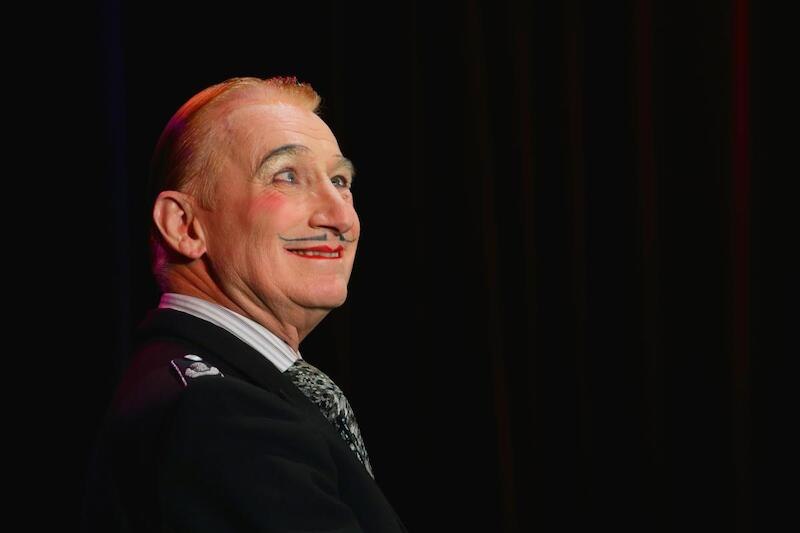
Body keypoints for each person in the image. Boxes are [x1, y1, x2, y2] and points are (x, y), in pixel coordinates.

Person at [81, 76, 408, 532]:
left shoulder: (211, 388)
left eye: (340, 180)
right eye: (287, 176)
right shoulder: (219, 414)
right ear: (184, 226)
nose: (339, 217)